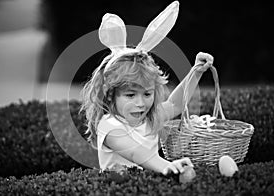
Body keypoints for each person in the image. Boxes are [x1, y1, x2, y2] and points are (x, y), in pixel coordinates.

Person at [80, 1, 214, 175]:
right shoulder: (109, 126)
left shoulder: (149, 118)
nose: (140, 103)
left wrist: (196, 72)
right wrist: (166, 166)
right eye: (130, 95)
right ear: (110, 93)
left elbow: (176, 105)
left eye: (147, 94)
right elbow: (137, 153)